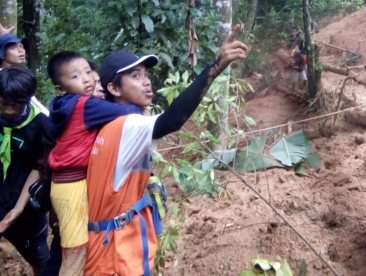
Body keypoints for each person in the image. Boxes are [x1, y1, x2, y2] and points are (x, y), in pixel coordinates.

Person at [84, 24, 247, 276]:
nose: (147, 82)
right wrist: (214, 68)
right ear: (114, 89)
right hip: (115, 256)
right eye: (135, 76)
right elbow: (172, 120)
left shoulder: (107, 123)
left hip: (108, 248)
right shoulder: (128, 124)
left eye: (146, 74)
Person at [46, 51, 142, 275]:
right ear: (61, 88)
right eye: (76, 77)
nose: (87, 79)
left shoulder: (63, 104)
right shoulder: (84, 106)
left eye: (88, 72)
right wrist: (141, 109)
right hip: (72, 185)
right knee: (75, 249)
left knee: (68, 244)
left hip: (65, 185)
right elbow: (126, 110)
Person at [0, 67, 50, 275]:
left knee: (39, 258)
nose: (10, 110)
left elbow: (38, 167)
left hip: (24, 203)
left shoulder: (41, 125)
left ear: (29, 99)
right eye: (4, 104)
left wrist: (18, 210)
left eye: (17, 105)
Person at [0, 33, 49, 115]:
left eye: (21, 46)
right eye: (13, 47)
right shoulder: (2, 78)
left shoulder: (20, 75)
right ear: (2, 55)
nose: (21, 50)